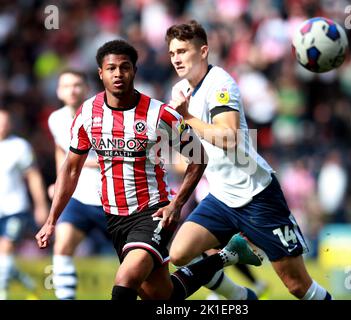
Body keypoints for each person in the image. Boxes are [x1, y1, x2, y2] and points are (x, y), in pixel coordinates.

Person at [35, 39, 262, 300]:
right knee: (162, 296)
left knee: (126, 280)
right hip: (115, 218)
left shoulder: (160, 115)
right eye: (111, 69)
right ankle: (228, 259)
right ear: (101, 73)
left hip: (153, 213)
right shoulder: (87, 114)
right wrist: (52, 219)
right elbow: (71, 169)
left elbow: (198, 157)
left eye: (125, 67)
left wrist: (176, 204)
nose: (118, 74)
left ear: (134, 70)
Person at [166, 20, 333, 300]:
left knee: (296, 286)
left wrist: (188, 118)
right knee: (179, 253)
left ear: (204, 51)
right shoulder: (179, 91)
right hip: (221, 197)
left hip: (256, 195)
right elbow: (196, 147)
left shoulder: (221, 83)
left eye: (182, 51)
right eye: (172, 53)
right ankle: (242, 293)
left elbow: (228, 137)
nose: (177, 59)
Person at [47, 69, 113, 300]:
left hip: (111, 200)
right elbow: (60, 150)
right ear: (58, 91)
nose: (72, 90)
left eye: (77, 85)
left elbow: (114, 156)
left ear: (86, 88)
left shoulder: (103, 116)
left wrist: (77, 164)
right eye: (66, 86)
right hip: (78, 198)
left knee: (137, 260)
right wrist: (60, 180)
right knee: (62, 247)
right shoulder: (55, 119)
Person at [0, 109, 49, 299]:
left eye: (5, 122)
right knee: (4, 259)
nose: (2, 126)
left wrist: (41, 205)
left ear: (10, 124)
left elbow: (33, 176)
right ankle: (29, 286)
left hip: (15, 208)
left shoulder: (20, 146)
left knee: (6, 249)